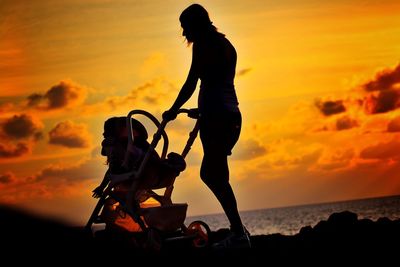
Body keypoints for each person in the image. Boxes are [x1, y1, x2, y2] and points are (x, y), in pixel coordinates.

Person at [162, 3, 251, 249]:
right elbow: (216, 84)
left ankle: (238, 234)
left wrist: (172, 109)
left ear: (195, 24)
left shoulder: (205, 44)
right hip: (226, 117)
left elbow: (192, 82)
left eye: (184, 27)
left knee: (211, 174)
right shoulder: (224, 43)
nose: (183, 33)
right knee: (217, 175)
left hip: (218, 119)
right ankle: (238, 233)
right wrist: (200, 110)